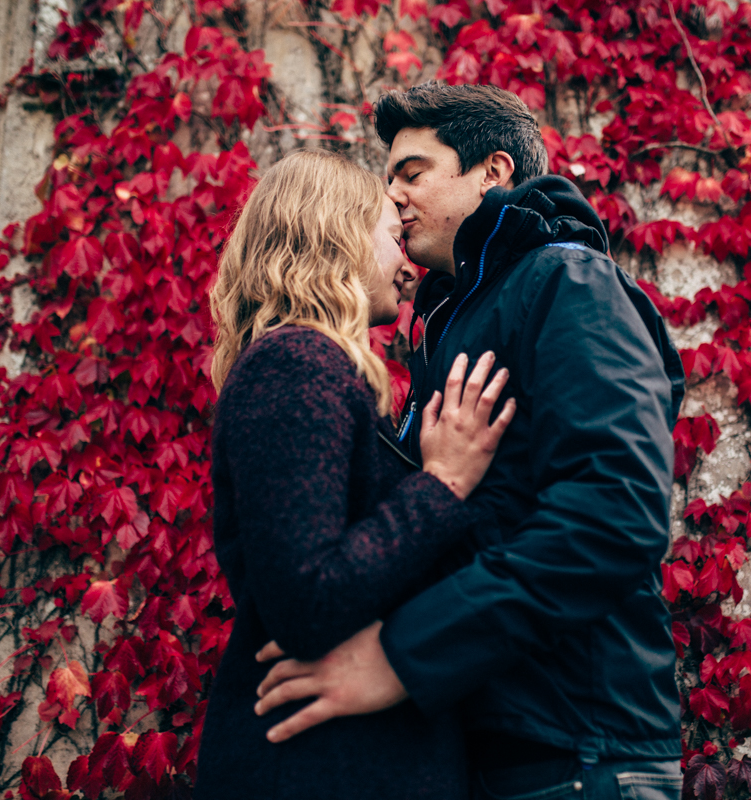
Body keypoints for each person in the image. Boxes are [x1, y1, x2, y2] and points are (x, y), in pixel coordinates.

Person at [254, 84, 686, 800]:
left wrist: (401, 657)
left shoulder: (566, 285)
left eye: (413, 173)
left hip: (578, 756)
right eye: (389, 178)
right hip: (488, 753)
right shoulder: (451, 320)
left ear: (493, 173)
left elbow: (616, 514)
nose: (391, 196)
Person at [195, 148, 516, 800]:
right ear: (336, 233)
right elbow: (307, 597)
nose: (407, 265)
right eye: (394, 237)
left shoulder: (309, 369)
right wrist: (441, 484)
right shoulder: (294, 365)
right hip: (317, 767)